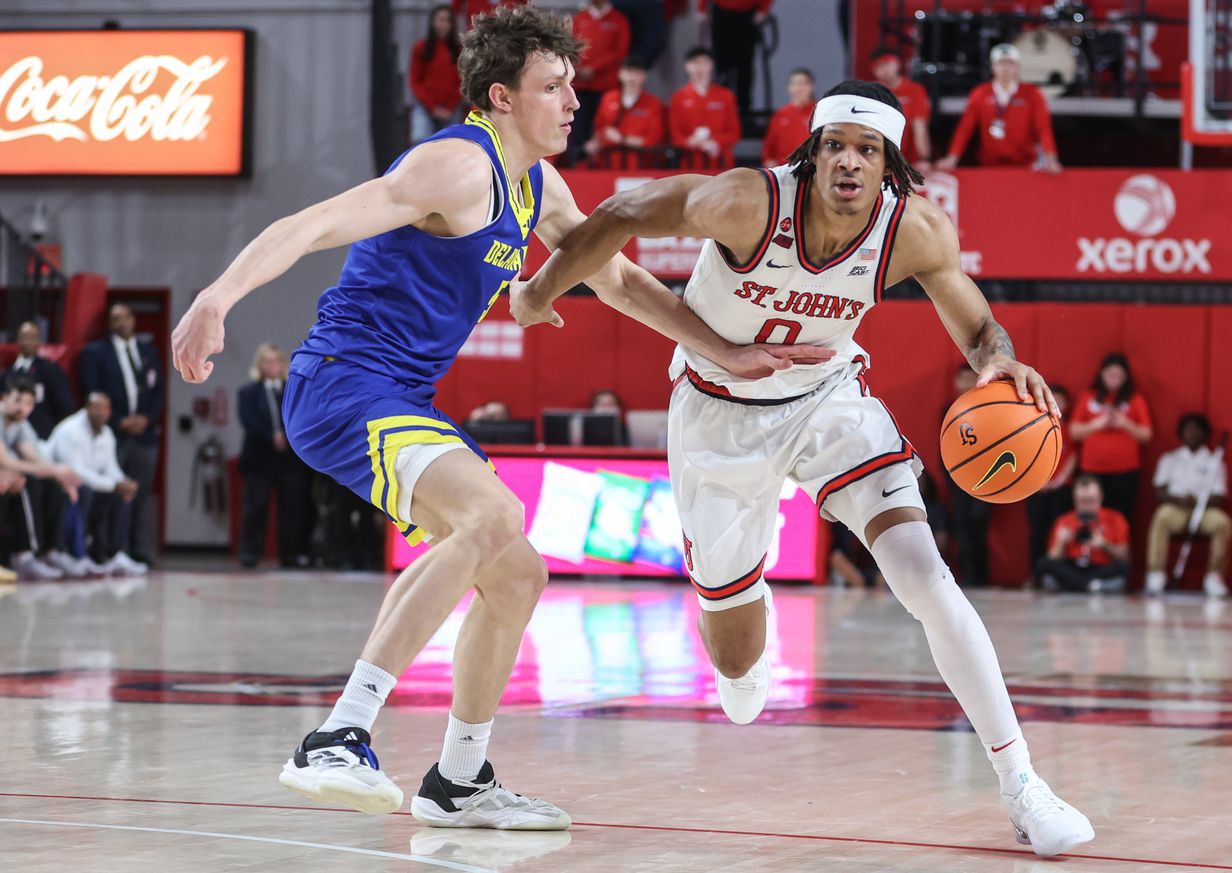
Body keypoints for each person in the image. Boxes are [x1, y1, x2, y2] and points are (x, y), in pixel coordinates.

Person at [171, 5, 818, 830]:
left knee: (519, 573)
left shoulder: (538, 184)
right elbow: (313, 223)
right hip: (343, 382)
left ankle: (459, 778)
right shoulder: (457, 164)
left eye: (574, 85)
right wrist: (218, 297)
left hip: (400, 394)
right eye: (553, 86)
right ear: (502, 97)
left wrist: (720, 351)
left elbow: (615, 279)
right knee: (492, 513)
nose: (574, 101)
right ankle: (338, 733)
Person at [513, 78, 1094, 857]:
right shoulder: (747, 203)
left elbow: (979, 325)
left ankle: (1024, 783)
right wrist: (540, 288)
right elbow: (619, 216)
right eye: (835, 147)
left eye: (866, 150)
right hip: (718, 414)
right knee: (738, 674)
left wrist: (999, 365)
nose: (849, 163)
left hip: (828, 401)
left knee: (926, 576)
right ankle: (743, 609)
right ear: (812, 154)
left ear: (888, 164)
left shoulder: (912, 228)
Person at [80, 304, 165, 566]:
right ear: (109, 323)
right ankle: (110, 550)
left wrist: (147, 419)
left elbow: (158, 391)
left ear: (134, 319)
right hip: (113, 433)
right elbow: (91, 391)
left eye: (125, 317)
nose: (121, 322)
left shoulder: (148, 351)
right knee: (113, 492)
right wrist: (118, 421)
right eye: (115, 318)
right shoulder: (96, 353)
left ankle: (138, 550)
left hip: (145, 436)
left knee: (139, 494)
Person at [46, 393, 146, 575]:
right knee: (83, 491)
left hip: (91, 486)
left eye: (105, 408)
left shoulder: (106, 433)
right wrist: (113, 485)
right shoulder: (71, 431)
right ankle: (73, 554)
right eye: (96, 407)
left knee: (121, 496)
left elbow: (111, 467)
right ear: (86, 408)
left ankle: (112, 555)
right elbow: (77, 472)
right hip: (58, 485)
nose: (101, 413)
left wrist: (123, 483)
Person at [237, 344, 313, 569]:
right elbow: (248, 420)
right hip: (260, 458)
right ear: (259, 365)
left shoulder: (292, 390)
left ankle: (290, 554)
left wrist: (286, 439)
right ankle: (250, 553)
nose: (272, 366)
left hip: (289, 460)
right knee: (256, 506)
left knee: (292, 507)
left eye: (276, 361)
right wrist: (271, 437)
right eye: (267, 361)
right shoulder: (248, 392)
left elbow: (301, 418)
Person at [0, 378, 84, 580]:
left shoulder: (19, 424)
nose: (23, 408)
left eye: (29, 404)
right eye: (18, 401)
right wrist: (24, 471)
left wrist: (59, 475)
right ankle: (24, 555)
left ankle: (52, 552)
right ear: (4, 398)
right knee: (22, 483)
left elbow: (35, 457)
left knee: (50, 484)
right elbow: (6, 462)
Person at [937, 43, 1061, 174]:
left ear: (1018, 67)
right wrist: (952, 158)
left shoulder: (1032, 94)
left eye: (1010, 63)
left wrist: (1050, 158)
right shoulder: (980, 93)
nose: (1005, 68)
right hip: (989, 166)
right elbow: (965, 128)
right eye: (1001, 63)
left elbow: (1043, 128)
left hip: (1025, 167)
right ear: (992, 66)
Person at [1144, 413, 1231, 598]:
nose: (1191, 433)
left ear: (1204, 434)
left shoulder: (1214, 461)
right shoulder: (1170, 458)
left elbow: (1220, 497)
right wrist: (1179, 499)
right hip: (1176, 507)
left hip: (1204, 510)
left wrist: (1199, 500)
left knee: (1222, 522)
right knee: (1162, 517)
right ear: (1181, 433)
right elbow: (1159, 490)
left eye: (1196, 429)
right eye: (1187, 429)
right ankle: (1156, 574)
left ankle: (1214, 577)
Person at [1069, 352, 1152, 521]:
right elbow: (1073, 431)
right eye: (1110, 375)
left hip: (1125, 470)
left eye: (1119, 376)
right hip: (1092, 468)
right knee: (1090, 517)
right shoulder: (1088, 396)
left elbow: (1146, 435)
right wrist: (1096, 424)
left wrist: (1125, 423)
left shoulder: (1134, 398)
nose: (1114, 380)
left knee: (1122, 517)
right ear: (1102, 373)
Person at [1035, 474, 1130, 594]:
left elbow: (1125, 557)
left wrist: (1105, 544)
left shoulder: (1115, 518)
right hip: (1072, 567)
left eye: (1091, 501)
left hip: (1099, 568)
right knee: (1043, 564)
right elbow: (1051, 559)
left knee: (1123, 568)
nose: (1087, 506)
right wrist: (1061, 543)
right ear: (1074, 499)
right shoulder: (1064, 521)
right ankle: (1089, 586)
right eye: (1082, 501)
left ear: (1101, 497)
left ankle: (1073, 586)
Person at [944, 363, 992, 588]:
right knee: (962, 525)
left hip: (986, 476)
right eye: (961, 378)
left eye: (969, 378)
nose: (964, 383)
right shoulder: (949, 410)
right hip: (959, 478)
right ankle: (967, 576)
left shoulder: (989, 407)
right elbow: (944, 448)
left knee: (979, 523)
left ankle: (981, 577)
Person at [570, 0, 631, 164]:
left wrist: (594, 68)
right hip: (580, 86)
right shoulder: (580, 19)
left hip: (606, 87)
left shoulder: (618, 20)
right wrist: (576, 68)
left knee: (603, 129)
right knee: (578, 129)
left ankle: (601, 166)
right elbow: (570, 47)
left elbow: (620, 52)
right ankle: (576, 166)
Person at [1025, 383, 1076, 577]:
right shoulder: (1033, 426)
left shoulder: (1068, 429)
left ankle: (1058, 575)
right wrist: (1038, 482)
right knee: (1036, 532)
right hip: (1037, 488)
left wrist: (1059, 481)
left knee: (1058, 532)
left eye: (1060, 400)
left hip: (1061, 489)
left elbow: (1073, 456)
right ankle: (1035, 576)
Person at [584, 57, 665, 169]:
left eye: (636, 73)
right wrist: (594, 143)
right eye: (628, 71)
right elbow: (599, 127)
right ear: (620, 74)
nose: (631, 77)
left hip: (640, 166)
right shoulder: (608, 98)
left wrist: (622, 139)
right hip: (608, 163)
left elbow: (653, 140)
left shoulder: (654, 103)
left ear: (644, 76)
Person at [668, 47, 740, 171]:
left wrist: (714, 141)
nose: (699, 67)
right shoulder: (678, 97)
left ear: (711, 65)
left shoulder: (725, 95)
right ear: (687, 66)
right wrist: (691, 142)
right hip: (689, 163)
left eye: (704, 62)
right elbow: (675, 134)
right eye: (695, 62)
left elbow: (734, 132)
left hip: (720, 163)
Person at [3, 321, 76, 440]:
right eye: (24, 337)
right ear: (17, 341)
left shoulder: (51, 370)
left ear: (39, 342)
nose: (27, 342)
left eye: (32, 337)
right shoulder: (7, 374)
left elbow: (65, 407)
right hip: (11, 437)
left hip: (44, 437)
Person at [698, 0, 770, 118]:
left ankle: (744, 108)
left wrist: (763, 10)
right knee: (722, 65)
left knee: (745, 66)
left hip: (747, 15)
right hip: (722, 13)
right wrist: (702, 8)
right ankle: (720, 107)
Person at [409, 5, 463, 143]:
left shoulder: (459, 50)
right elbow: (415, 81)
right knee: (420, 139)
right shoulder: (421, 48)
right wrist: (432, 107)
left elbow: (463, 81)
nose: (443, 25)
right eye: (440, 20)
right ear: (432, 22)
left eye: (447, 20)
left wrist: (449, 107)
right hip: (426, 106)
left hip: (451, 108)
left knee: (450, 144)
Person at [869, 50, 932, 170]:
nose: (884, 69)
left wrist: (924, 158)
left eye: (887, 63)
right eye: (878, 66)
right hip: (881, 162)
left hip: (910, 163)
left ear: (897, 63)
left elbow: (919, 126)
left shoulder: (914, 90)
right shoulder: (872, 93)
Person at [760, 68, 815, 168]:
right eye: (794, 84)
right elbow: (769, 144)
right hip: (784, 171)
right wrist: (768, 161)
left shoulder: (818, 112)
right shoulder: (780, 114)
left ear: (810, 87)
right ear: (789, 88)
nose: (797, 88)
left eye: (801, 84)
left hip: (810, 170)